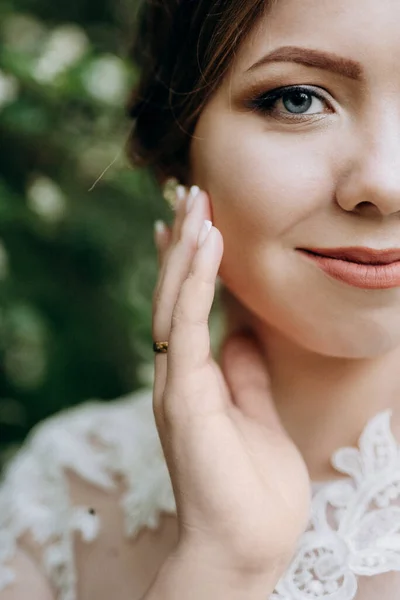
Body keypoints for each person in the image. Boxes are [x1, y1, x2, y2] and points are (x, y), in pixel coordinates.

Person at [2, 0, 400, 597]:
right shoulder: (64, 490)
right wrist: (221, 567)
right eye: (298, 98)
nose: (385, 184)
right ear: (176, 150)